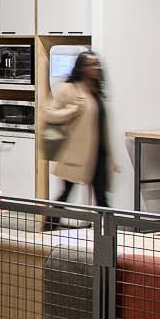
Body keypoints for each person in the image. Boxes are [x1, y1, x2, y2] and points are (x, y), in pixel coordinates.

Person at [42, 50, 114, 207]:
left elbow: (102, 127)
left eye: (98, 64)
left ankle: (109, 232)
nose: (97, 67)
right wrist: (72, 110)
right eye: (92, 64)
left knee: (102, 198)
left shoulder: (96, 91)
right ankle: (49, 226)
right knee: (65, 195)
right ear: (82, 68)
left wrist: (111, 157)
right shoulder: (69, 89)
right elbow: (49, 114)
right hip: (75, 154)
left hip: (98, 154)